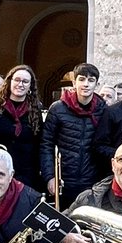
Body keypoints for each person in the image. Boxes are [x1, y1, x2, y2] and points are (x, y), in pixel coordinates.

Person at [41, 63, 106, 207]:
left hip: (92, 182)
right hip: (63, 181)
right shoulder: (58, 108)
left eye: (91, 80)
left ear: (97, 84)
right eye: (81, 79)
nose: (86, 84)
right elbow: (46, 144)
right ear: (74, 82)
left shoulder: (103, 110)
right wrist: (50, 176)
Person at [0, 65, 44, 191]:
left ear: (30, 86)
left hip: (27, 175)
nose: (20, 84)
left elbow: (39, 142)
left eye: (25, 81)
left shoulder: (35, 111)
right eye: (17, 80)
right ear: (9, 82)